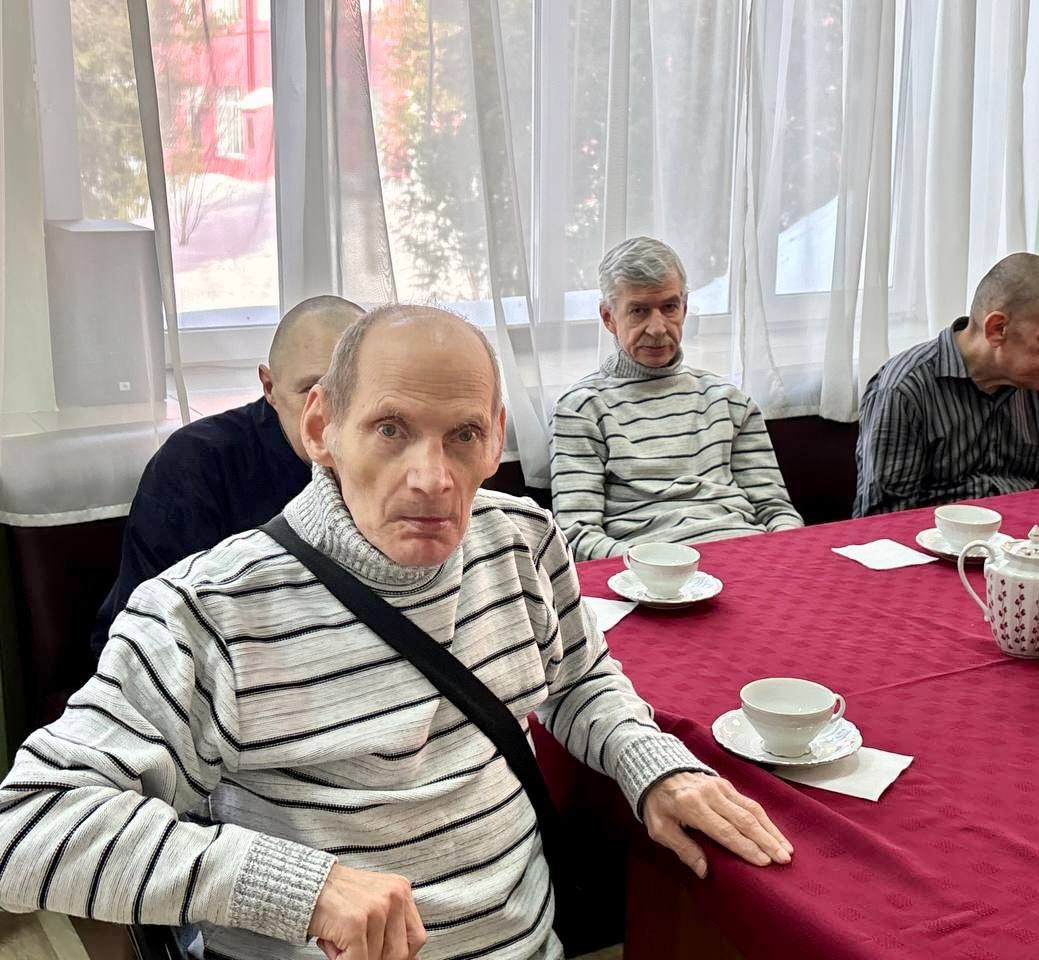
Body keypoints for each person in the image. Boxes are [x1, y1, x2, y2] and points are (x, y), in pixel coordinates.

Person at [0, 305, 791, 960]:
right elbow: (29, 822)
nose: (433, 479)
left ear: (497, 435)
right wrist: (296, 887)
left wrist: (651, 765)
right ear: (321, 427)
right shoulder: (207, 610)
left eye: (462, 435)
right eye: (390, 429)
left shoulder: (521, 540)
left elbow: (579, 678)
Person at [90, 295, 364, 656]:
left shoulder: (404, 456)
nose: (333, 415)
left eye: (354, 390)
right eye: (310, 391)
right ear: (269, 387)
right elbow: (152, 634)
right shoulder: (196, 463)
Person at [551, 237, 803, 560]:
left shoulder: (729, 401)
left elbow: (777, 511)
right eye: (639, 311)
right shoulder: (581, 409)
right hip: (648, 573)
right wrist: (660, 568)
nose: (657, 328)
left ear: (684, 308)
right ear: (608, 318)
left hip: (749, 559)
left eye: (669, 307)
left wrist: (788, 557)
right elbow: (576, 536)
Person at [853, 253, 1039, 516]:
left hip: (1021, 534)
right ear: (997, 328)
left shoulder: (1032, 383)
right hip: (937, 536)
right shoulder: (905, 390)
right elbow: (887, 519)